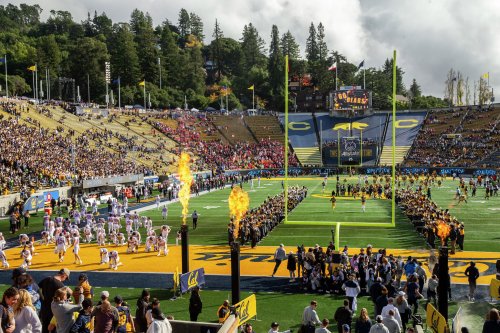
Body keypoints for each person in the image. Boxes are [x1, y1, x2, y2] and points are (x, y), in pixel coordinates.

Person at [38, 268, 70, 333]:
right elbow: (66, 298)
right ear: (64, 275)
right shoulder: (60, 285)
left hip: (44, 309)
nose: (64, 280)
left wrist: (42, 298)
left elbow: (37, 288)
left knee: (44, 328)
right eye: (66, 278)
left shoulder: (47, 279)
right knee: (53, 329)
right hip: (54, 312)